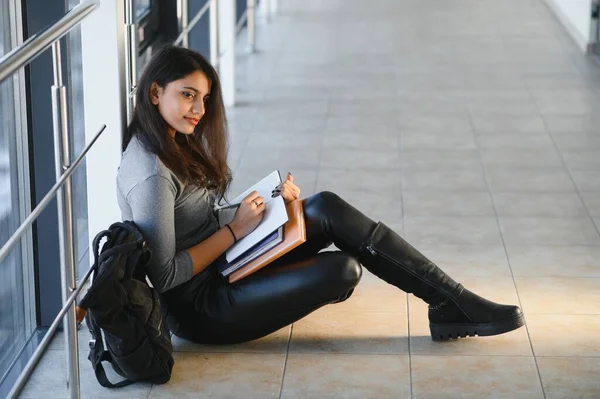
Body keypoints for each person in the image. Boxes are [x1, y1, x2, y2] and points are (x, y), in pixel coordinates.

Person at [117, 45, 525, 345]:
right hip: (199, 308)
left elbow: (197, 217)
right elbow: (163, 276)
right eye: (188, 94)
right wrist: (237, 232)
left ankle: (451, 301)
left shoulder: (171, 138)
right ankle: (451, 303)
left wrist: (268, 204)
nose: (199, 109)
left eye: (204, 98)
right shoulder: (150, 173)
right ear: (155, 93)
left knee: (324, 206)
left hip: (225, 263)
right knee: (343, 270)